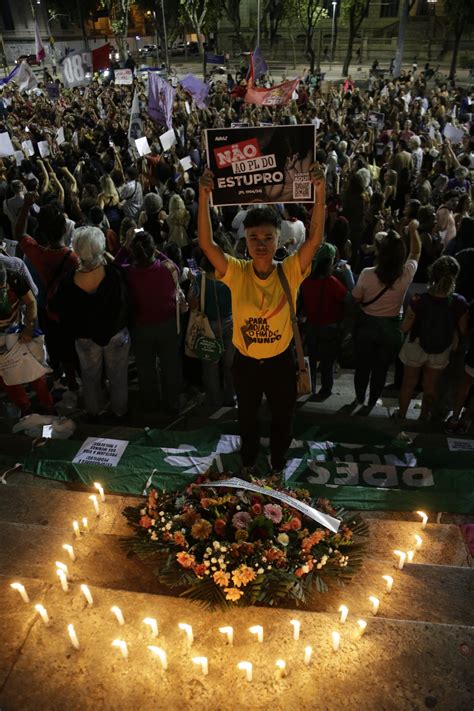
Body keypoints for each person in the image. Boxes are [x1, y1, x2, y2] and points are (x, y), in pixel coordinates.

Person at [198, 164, 325, 477]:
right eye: (253, 237)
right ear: (245, 240)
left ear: (279, 239)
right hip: (245, 363)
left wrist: (320, 193)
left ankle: (278, 464)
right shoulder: (237, 272)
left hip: (281, 363)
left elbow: (314, 241)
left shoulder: (290, 270)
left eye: (268, 237)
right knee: (247, 420)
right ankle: (250, 462)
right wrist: (204, 198)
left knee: (283, 419)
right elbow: (207, 244)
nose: (260, 243)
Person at [53, 227, 131, 421]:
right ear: (101, 249)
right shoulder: (113, 274)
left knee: (89, 378)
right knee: (118, 376)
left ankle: (94, 411)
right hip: (115, 335)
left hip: (85, 338)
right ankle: (119, 412)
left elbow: (61, 311)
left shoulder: (68, 281)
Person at [351, 221, 421, 411]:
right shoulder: (405, 274)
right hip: (391, 329)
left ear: (380, 252)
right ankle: (372, 401)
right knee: (381, 369)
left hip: (367, 326)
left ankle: (359, 398)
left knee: (363, 367)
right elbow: (415, 253)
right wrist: (414, 231)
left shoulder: (367, 274)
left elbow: (356, 298)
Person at [116, 230, 182, 414]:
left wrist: (124, 247)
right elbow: (175, 265)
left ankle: (151, 403)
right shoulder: (167, 269)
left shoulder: (129, 272)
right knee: (170, 366)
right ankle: (173, 403)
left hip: (141, 326)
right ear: (153, 249)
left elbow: (115, 266)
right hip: (168, 324)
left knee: (146, 369)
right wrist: (156, 251)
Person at [398, 256, 468, 421]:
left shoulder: (419, 299)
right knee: (430, 387)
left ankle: (401, 416)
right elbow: (463, 329)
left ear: (432, 274)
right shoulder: (459, 302)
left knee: (409, 384)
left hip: (416, 345)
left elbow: (405, 327)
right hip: (441, 348)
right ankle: (423, 417)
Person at [0, 263, 54, 417]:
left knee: (34, 371)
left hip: (16, 334)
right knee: (7, 376)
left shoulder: (14, 276)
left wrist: (29, 327)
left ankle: (48, 407)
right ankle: (25, 408)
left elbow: (31, 302)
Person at [300, 242, 351, 400]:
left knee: (313, 360)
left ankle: (311, 387)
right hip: (330, 328)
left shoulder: (306, 282)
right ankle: (325, 391)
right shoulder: (333, 283)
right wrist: (348, 276)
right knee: (328, 364)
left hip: (312, 327)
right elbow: (349, 299)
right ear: (330, 262)